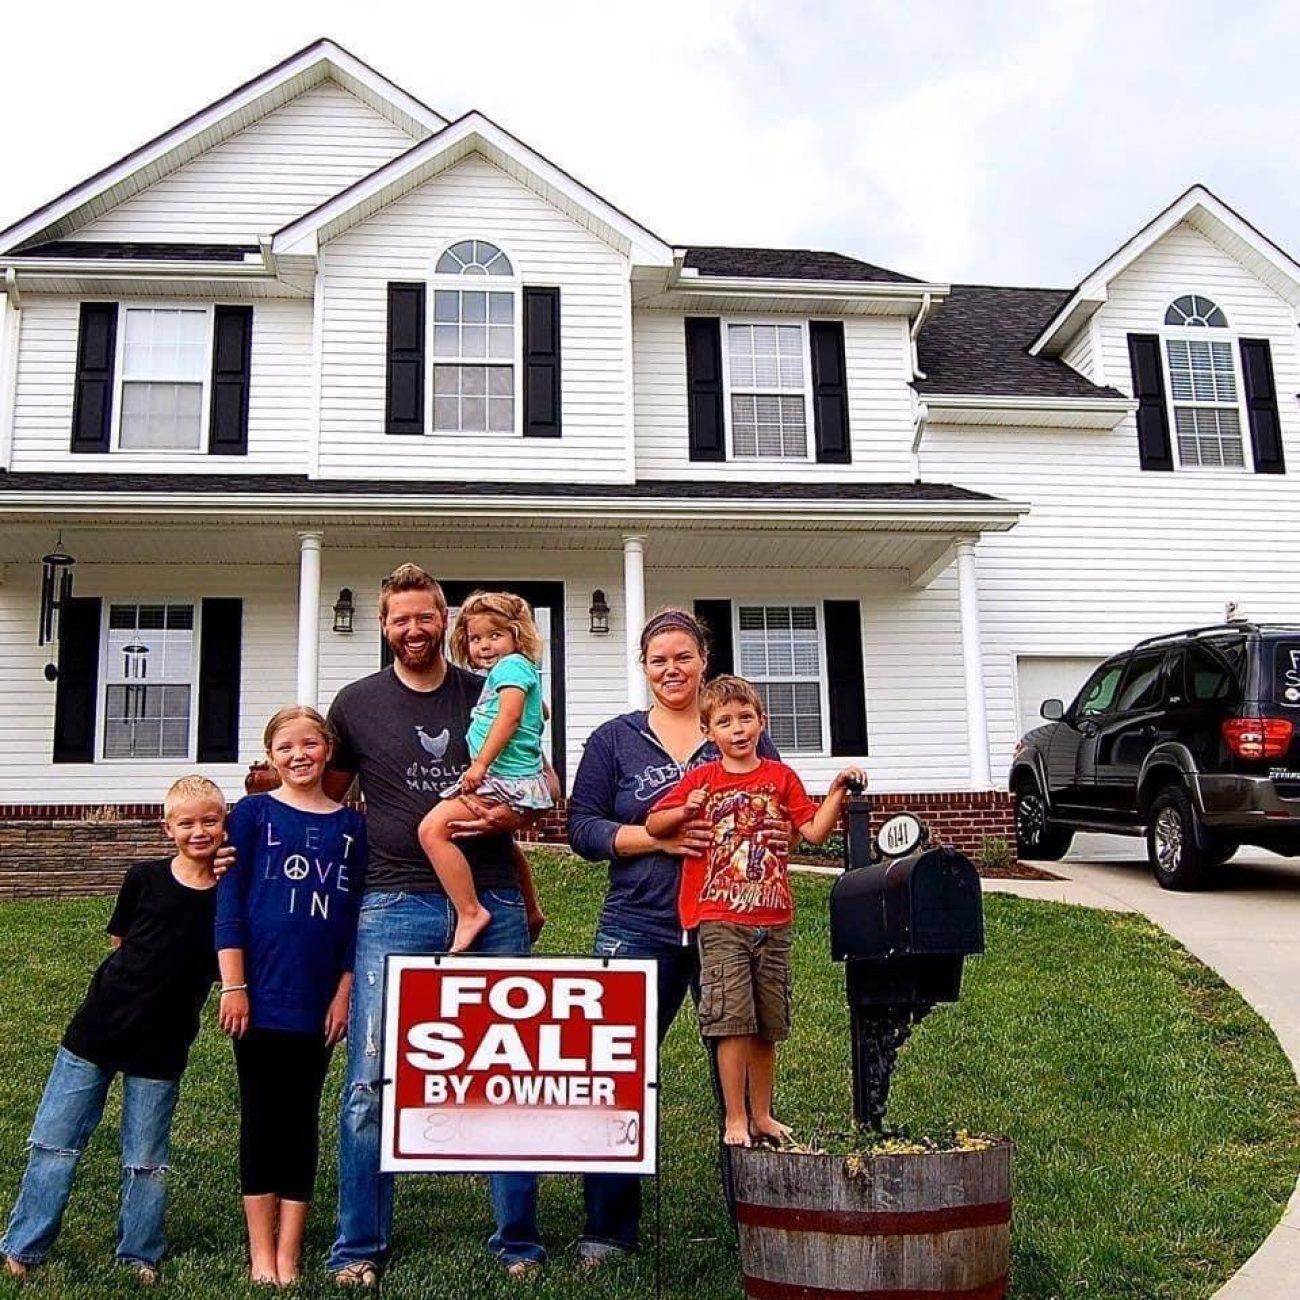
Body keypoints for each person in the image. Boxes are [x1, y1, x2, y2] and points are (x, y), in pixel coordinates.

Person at [324, 563, 547, 1286]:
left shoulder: (488, 688)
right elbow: (328, 800)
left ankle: (517, 1241)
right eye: (400, 619)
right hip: (390, 904)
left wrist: (518, 813)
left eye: (426, 617)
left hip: (489, 899)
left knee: (505, 1072)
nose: (413, 629)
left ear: (443, 619)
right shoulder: (355, 705)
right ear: (383, 625)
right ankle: (359, 1245)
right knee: (369, 1080)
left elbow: (542, 783)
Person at [566, 608, 782, 1265]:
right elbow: (582, 827)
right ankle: (609, 1229)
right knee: (616, 1072)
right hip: (637, 924)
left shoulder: (738, 729)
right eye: (658, 659)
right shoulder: (614, 740)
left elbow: (780, 805)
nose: (671, 670)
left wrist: (777, 834)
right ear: (644, 666)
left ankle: (759, 1221)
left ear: (703, 658)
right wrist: (650, 835)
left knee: (739, 1082)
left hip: (731, 925)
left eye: (683, 656)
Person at [0, 776, 225, 1285]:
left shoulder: (230, 895)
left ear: (224, 822)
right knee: (54, 1143)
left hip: (164, 1042)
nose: (198, 831)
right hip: (96, 1031)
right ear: (167, 827)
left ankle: (138, 1252)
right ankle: (24, 1244)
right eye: (186, 823)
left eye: (210, 820)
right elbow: (122, 940)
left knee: (145, 1159)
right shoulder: (143, 877)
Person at [647, 675, 864, 1147]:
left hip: (774, 918)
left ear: (762, 723)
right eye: (725, 722)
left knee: (768, 1023)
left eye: (746, 718)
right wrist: (686, 809)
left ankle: (763, 1114)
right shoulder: (701, 779)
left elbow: (812, 832)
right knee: (732, 1021)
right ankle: (735, 1117)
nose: (738, 728)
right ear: (709, 732)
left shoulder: (781, 778)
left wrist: (836, 792)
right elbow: (655, 822)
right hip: (720, 918)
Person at [216, 706, 366, 1286]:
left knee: (301, 1120)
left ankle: (290, 1253)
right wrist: (235, 983)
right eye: (285, 747)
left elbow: (353, 915)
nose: (299, 755)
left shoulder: (352, 827)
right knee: (260, 1119)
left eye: (309, 744)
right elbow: (229, 905)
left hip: (317, 1000)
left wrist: (345, 990)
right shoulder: (252, 815)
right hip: (257, 995)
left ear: (327, 750)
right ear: (270, 756)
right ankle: (260, 1253)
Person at [418, 591, 552, 954]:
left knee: (431, 832)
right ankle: (532, 907)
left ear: (516, 635)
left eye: (495, 636)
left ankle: (470, 910)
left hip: (502, 778)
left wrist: (479, 765)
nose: (485, 645)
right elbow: (534, 711)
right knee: (500, 842)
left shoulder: (510, 668)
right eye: (476, 638)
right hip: (510, 777)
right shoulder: (516, 673)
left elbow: (508, 717)